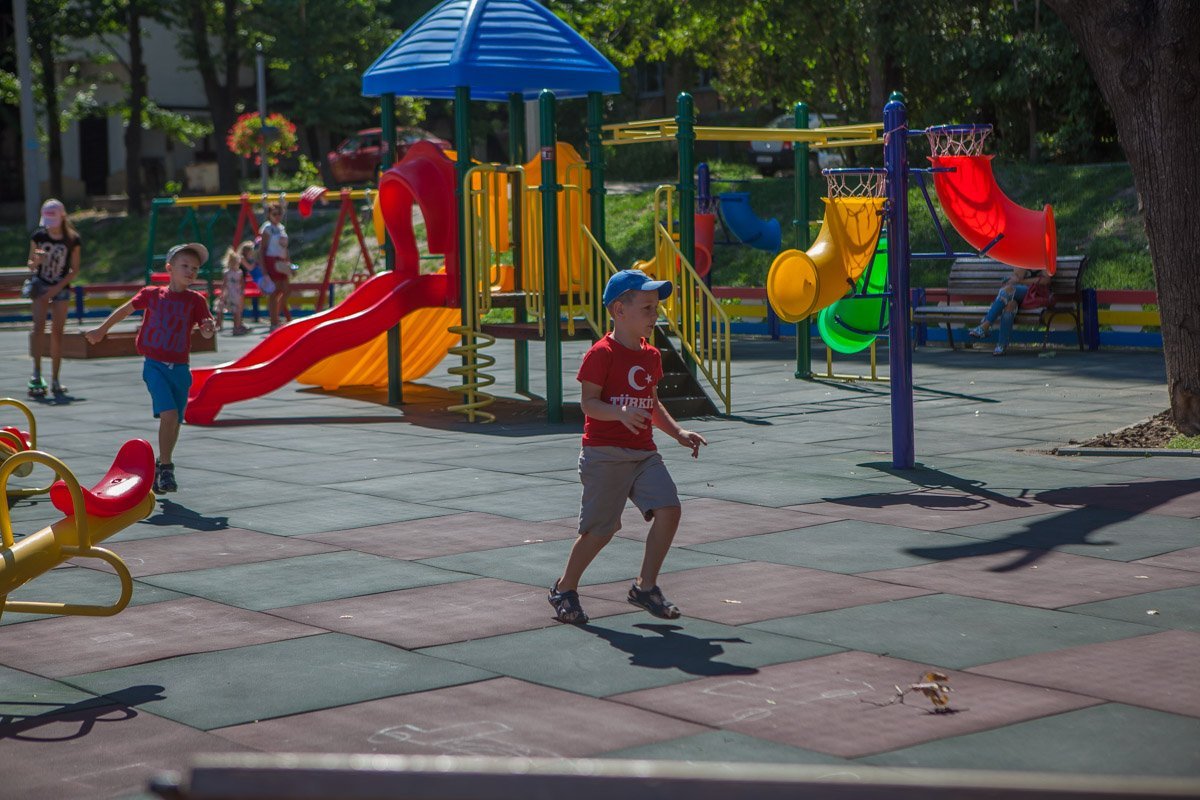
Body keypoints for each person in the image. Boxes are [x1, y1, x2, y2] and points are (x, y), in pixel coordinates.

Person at [548, 269, 709, 625]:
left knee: (669, 509)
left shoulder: (651, 355)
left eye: (656, 309)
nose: (655, 316)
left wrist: (678, 432)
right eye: (648, 308)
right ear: (620, 311)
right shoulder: (601, 354)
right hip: (604, 455)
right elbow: (589, 404)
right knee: (601, 531)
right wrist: (619, 412)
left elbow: (650, 404)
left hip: (643, 453)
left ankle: (645, 587)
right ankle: (564, 588)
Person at [85, 243, 216, 493]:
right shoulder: (153, 294)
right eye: (184, 266)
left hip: (180, 368)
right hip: (155, 366)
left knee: (175, 420)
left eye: (195, 268)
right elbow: (125, 310)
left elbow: (206, 331)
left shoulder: (196, 300)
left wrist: (209, 328)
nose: (190, 271)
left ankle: (162, 463)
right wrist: (101, 330)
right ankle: (167, 467)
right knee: (168, 416)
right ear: (169, 268)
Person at [25, 199, 82, 397]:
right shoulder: (39, 236)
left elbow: (74, 269)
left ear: (62, 217)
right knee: (38, 328)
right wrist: (38, 261)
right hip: (41, 284)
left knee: (58, 332)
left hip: (61, 286)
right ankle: (36, 372)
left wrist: (56, 289)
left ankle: (56, 378)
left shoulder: (72, 238)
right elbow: (31, 265)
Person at [968, 267, 1053, 355]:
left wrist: (1021, 281)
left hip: (1036, 294)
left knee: (1007, 290)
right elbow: (1016, 278)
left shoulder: (1043, 257)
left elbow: (1046, 280)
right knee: (1009, 305)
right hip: (1019, 293)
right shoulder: (1020, 256)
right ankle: (1002, 345)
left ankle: (985, 325)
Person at [258, 202, 292, 329]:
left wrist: (289, 262)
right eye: (274, 214)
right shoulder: (267, 228)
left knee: (286, 290)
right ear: (269, 215)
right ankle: (274, 321)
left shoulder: (281, 228)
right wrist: (264, 270)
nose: (277, 216)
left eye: (280, 213)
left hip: (282, 261)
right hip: (271, 260)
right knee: (275, 291)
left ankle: (275, 317)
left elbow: (285, 248)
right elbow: (262, 250)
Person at [215, 245, 249, 335]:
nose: (235, 265)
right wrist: (222, 293)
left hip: (236, 293)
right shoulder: (227, 272)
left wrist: (242, 292)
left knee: (237, 311)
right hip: (230, 293)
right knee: (221, 308)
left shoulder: (239, 272)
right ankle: (219, 324)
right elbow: (224, 283)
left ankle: (236, 327)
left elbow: (242, 283)